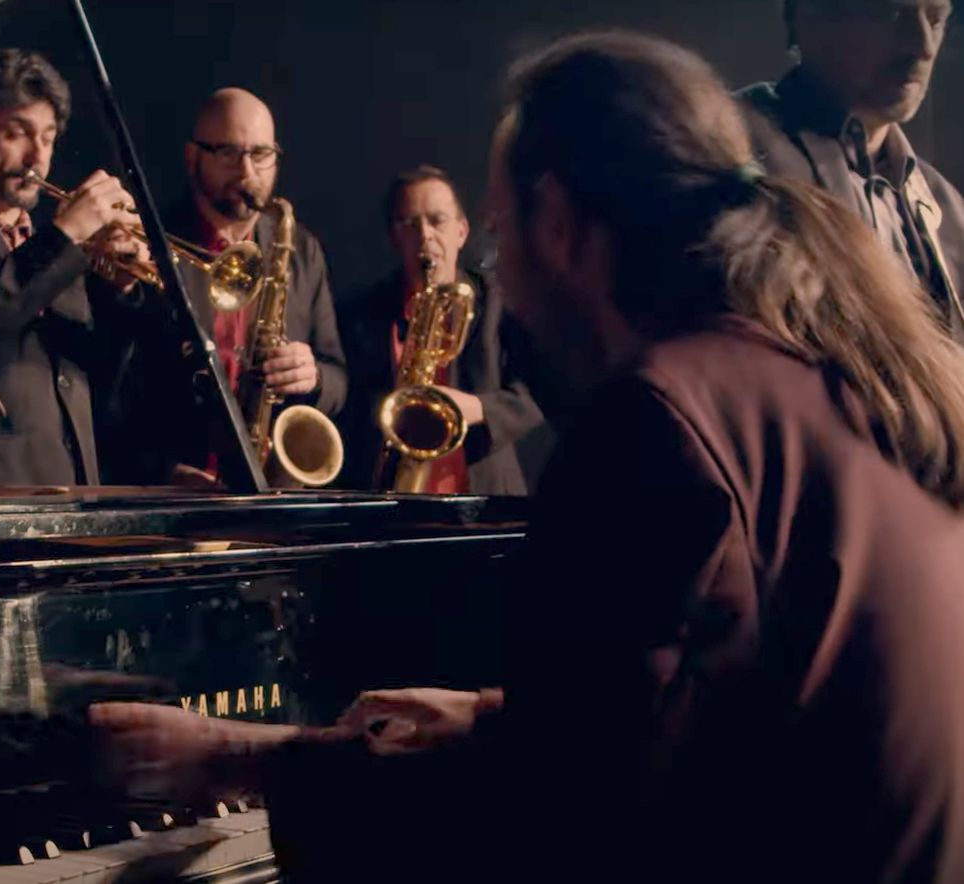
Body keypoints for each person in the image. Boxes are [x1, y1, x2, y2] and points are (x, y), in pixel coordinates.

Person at [90, 32, 964, 881]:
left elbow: (549, 820)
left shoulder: (658, 419)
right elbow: (701, 721)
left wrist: (251, 757)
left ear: (556, 220)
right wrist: (489, 718)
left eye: (499, 237)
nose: (503, 279)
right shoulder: (844, 373)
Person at [0, 48, 155, 486]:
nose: (37, 157)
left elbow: (105, 381)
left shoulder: (59, 252)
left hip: (73, 490)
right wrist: (65, 236)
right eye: (17, 133)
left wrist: (118, 290)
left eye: (47, 137)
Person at [157, 88, 348, 481]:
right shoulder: (155, 242)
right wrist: (162, 470)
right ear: (193, 158)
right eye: (228, 153)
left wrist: (314, 376)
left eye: (260, 154)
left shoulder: (300, 248)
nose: (247, 173)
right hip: (177, 487)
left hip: (272, 488)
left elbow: (338, 378)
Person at [739, 0, 962, 334]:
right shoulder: (731, 152)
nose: (923, 47)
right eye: (894, 14)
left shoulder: (946, 205)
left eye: (936, 20)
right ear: (804, 18)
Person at [339, 166, 544, 494]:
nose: (424, 236)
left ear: (461, 232)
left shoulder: (501, 301)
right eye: (409, 223)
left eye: (437, 221)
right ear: (394, 237)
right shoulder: (362, 314)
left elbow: (539, 390)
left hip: (482, 499)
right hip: (393, 501)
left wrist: (475, 409)